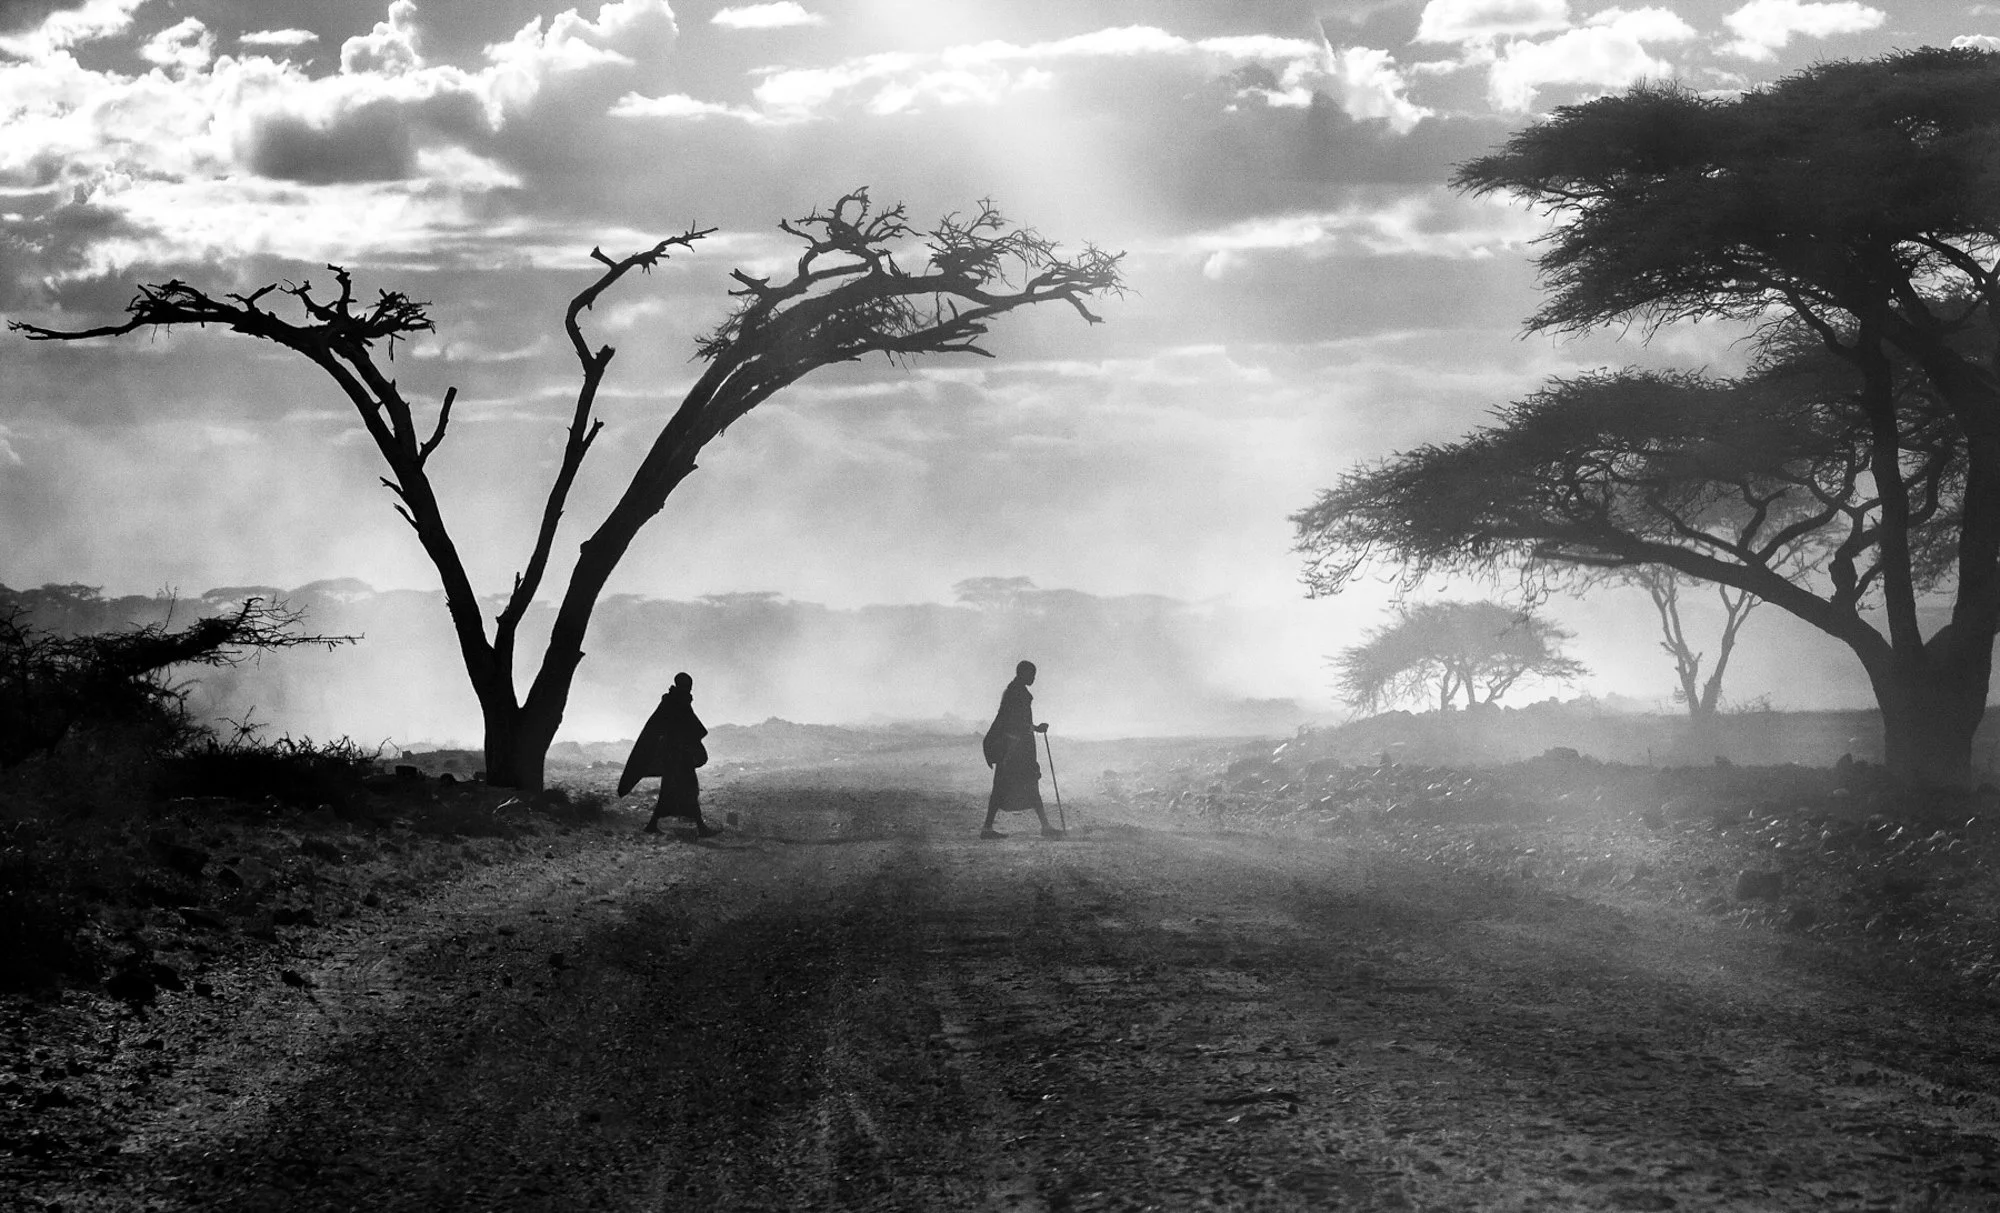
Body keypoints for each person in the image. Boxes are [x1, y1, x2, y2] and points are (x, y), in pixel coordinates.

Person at [618, 672, 717, 838]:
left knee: (672, 792)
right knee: (688, 790)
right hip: (677, 756)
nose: (690, 689)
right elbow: (681, 728)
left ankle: (653, 825)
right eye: (688, 685)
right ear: (683, 685)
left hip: (677, 756)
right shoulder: (677, 702)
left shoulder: (674, 701)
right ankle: (700, 828)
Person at [981, 659, 1062, 840]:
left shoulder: (1014, 691)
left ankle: (1044, 826)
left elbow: (1017, 722)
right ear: (1023, 674)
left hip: (1014, 748)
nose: (1034, 678)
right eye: (1032, 674)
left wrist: (1034, 728)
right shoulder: (1016, 693)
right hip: (1014, 750)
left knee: (1012, 787)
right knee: (1021, 786)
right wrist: (1036, 728)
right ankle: (1044, 826)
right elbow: (1014, 723)